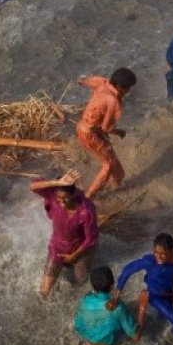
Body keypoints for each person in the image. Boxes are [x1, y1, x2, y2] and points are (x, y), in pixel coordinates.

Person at [108, 233, 173, 338]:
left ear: (171, 251)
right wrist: (116, 296)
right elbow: (127, 271)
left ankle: (163, 331)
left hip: (169, 295)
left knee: (163, 318)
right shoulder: (150, 262)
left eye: (163, 254)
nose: (158, 256)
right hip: (154, 297)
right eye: (155, 252)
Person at [30, 169, 99, 297]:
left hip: (80, 250)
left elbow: (91, 238)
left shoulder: (85, 211)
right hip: (58, 247)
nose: (61, 202)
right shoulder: (52, 197)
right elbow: (33, 186)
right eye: (59, 198)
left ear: (73, 195)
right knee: (44, 291)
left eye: (65, 198)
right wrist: (56, 182)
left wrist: (74, 256)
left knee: (81, 281)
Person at [76, 68, 136, 198]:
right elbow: (106, 128)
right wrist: (119, 132)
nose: (128, 91)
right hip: (90, 134)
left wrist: (83, 82)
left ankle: (116, 189)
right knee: (108, 165)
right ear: (119, 87)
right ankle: (88, 197)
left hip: (83, 127)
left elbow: (82, 81)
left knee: (119, 172)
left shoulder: (103, 83)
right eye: (127, 88)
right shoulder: (113, 101)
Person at [73, 266, 140, 345]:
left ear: (93, 286)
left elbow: (78, 324)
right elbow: (136, 337)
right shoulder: (118, 308)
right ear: (112, 286)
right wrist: (143, 308)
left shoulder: (86, 299)